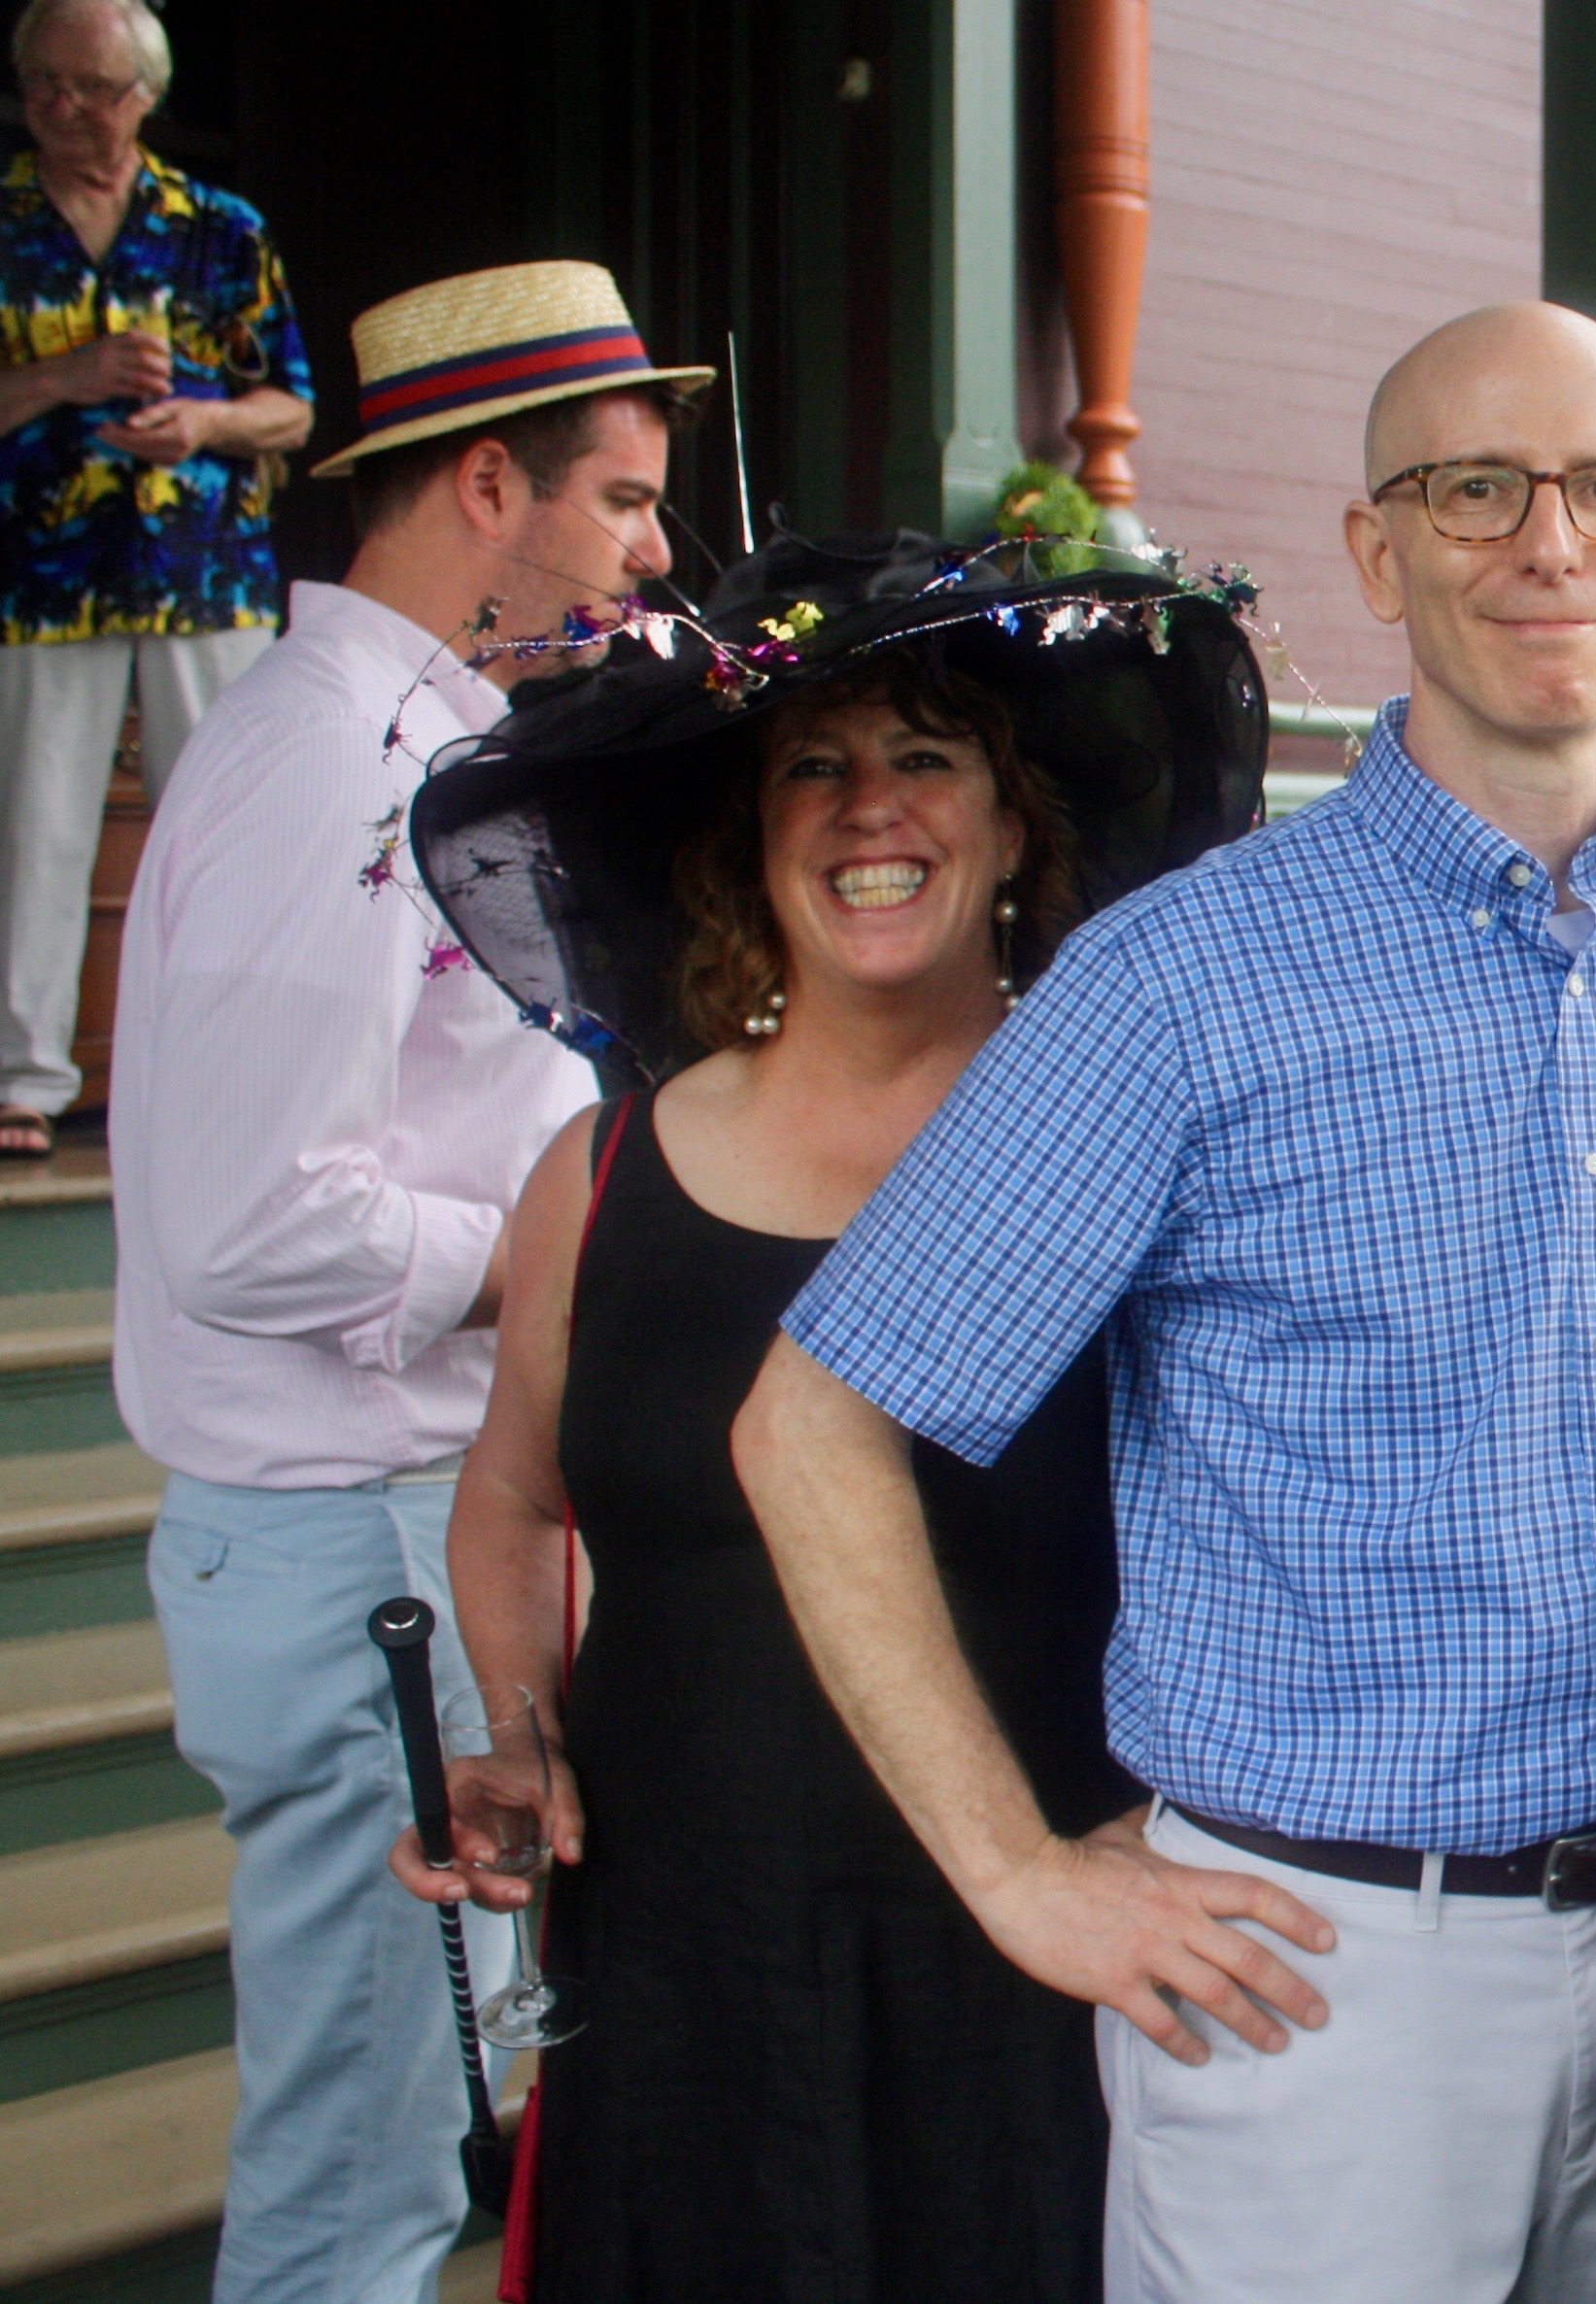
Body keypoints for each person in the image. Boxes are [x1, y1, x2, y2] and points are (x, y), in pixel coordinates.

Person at [726, 301, 1596, 2304]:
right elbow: (809, 1422)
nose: (1547, 544)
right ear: (1375, 553)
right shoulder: (1177, 981)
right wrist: (1017, 1872)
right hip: (1318, 1982)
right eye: (1473, 489)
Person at [380, 536, 1266, 2300]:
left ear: (1013, 827)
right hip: (678, 1964)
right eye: (815, 767)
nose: (872, 808)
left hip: (1039, 1960)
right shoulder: (601, 1170)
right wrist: (519, 1733)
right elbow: (518, 1500)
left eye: (927, 757)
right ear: (749, 833)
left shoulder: (1130, 1159)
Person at [109, 258, 702, 2304]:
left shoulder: (416, 743)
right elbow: (255, 1221)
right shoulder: (337, 765)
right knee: (357, 2189)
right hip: (351, 1545)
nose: (654, 552)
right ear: (484, 485)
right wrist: (567, 1264)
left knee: (416, 2155)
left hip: (395, 1526)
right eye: (621, 499)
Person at [0, 0, 313, 1154]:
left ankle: (221, 1076)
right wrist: (66, 375)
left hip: (203, 571)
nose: (62, 107)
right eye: (43, 83)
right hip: (41, 575)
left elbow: (294, 408)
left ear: (144, 98)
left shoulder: (219, 230)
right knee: (34, 835)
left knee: (224, 833)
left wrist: (206, 422)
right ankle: (22, 1082)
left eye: (90, 88)